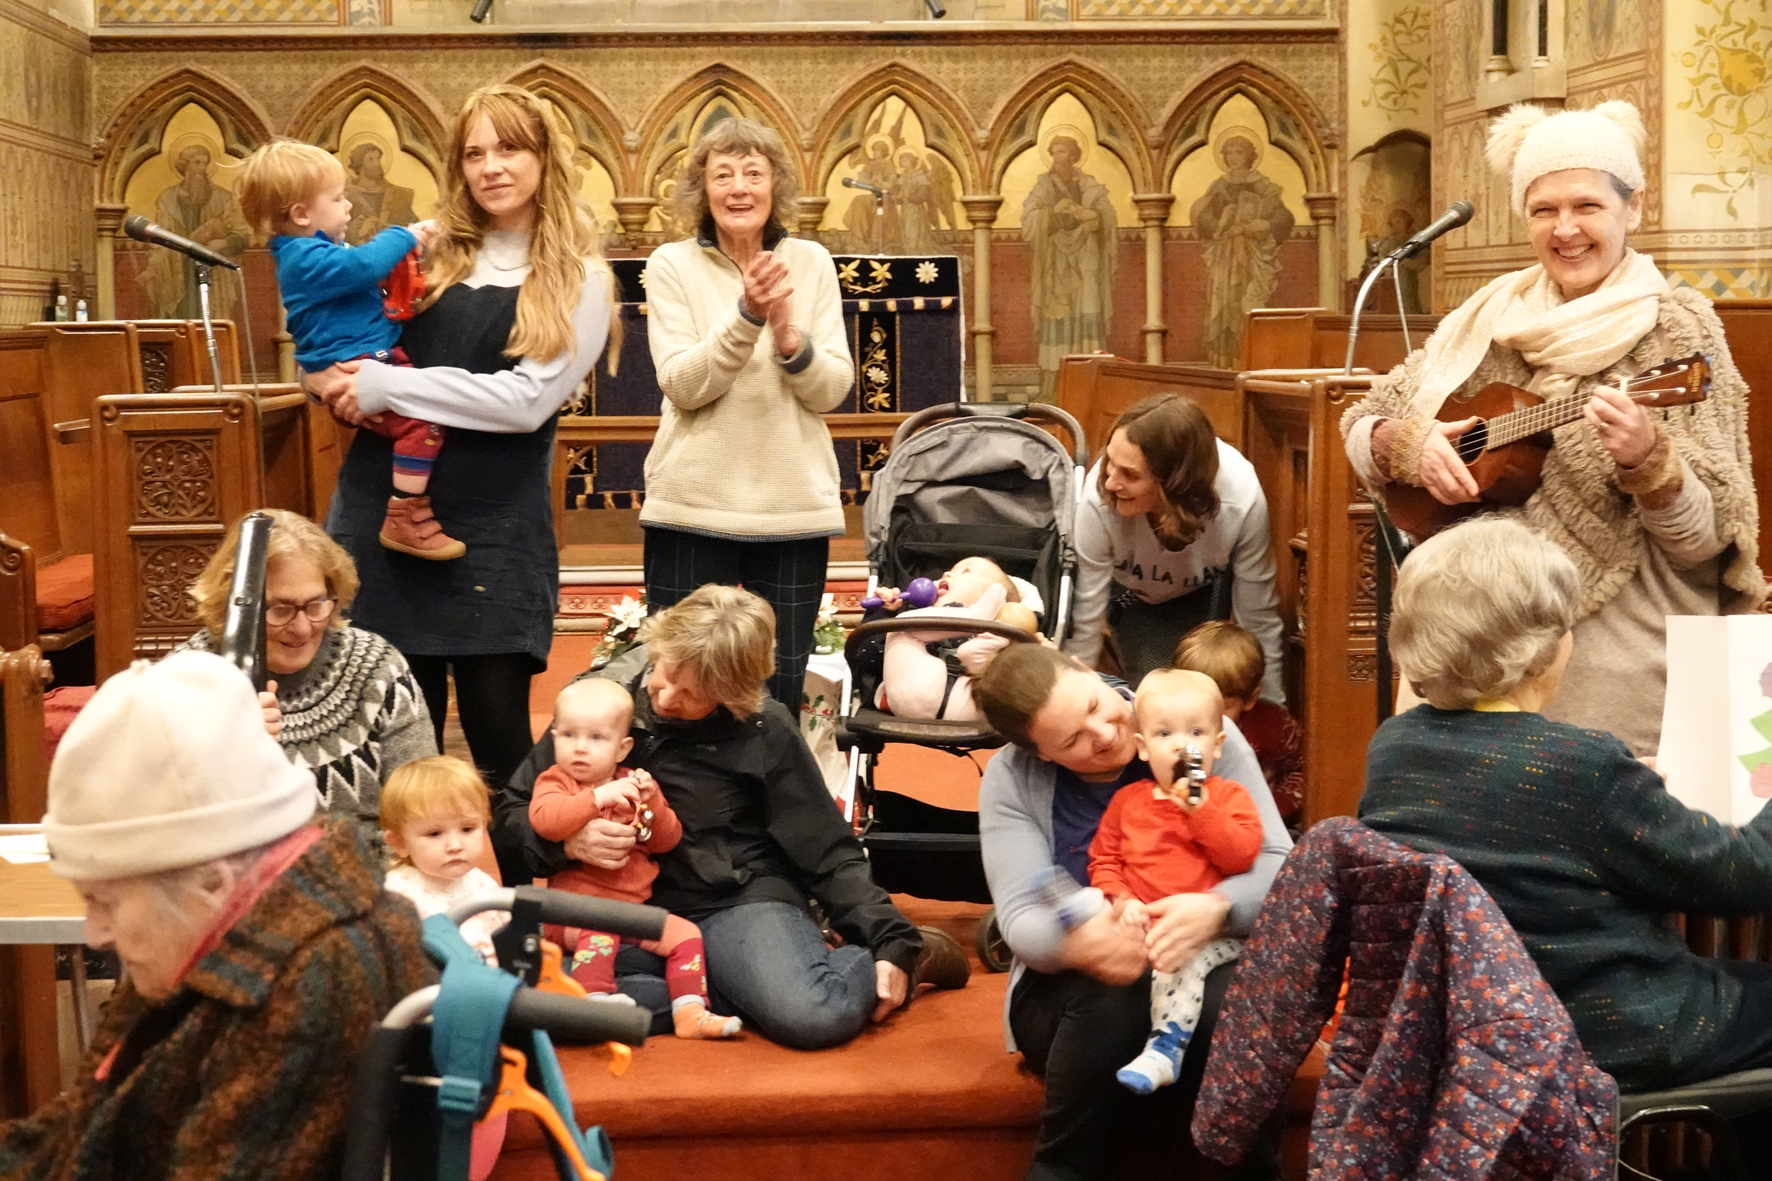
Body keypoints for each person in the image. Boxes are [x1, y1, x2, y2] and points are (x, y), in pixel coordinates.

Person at [1341, 100, 1761, 755]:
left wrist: (1651, 463)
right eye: (1544, 210)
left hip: (1621, 671)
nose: (1565, 229)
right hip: (1479, 652)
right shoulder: (1487, 320)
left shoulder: (1680, 333)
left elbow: (1711, 542)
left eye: (1587, 206)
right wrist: (1404, 445)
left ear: (1634, 207)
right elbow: (1362, 422)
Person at [1359, 516, 1772, 1100]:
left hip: (1465, 1038)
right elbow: (1748, 876)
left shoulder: (1395, 748)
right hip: (1609, 1033)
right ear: (1541, 650)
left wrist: (1626, 800)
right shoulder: (1584, 768)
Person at [304, 84, 618, 833]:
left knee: (502, 746)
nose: (491, 167)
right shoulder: (424, 249)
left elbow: (524, 402)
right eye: (474, 153)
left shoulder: (582, 275)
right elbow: (336, 336)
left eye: (509, 149)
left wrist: (385, 383)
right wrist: (330, 379)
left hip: (491, 531)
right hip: (379, 518)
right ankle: (408, 930)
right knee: (393, 754)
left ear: (545, 157)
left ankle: (519, 923)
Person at [0, 650, 433, 1179]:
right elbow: (87, 1126)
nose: (95, 934)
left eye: (104, 901)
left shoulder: (322, 977)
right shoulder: (210, 931)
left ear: (211, 880)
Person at [494, 585, 969, 1050]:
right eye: (663, 673)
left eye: (691, 693)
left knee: (811, 1015)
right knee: (533, 1006)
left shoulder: (764, 727)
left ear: (731, 695)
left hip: (731, 900)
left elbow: (826, 850)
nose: (665, 698)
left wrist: (892, 940)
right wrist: (565, 845)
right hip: (618, 907)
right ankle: (719, 981)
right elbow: (511, 813)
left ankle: (862, 960)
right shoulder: (603, 703)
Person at [974, 642, 1290, 1180]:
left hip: (1205, 953)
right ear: (1041, 754)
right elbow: (1022, 913)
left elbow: (1279, 866)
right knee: (1115, 1000)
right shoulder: (1011, 778)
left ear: (1087, 667)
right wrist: (1081, 943)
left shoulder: (1189, 725)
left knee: (1234, 1007)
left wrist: (1215, 909)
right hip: (1076, 987)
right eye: (1073, 738)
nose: (1104, 733)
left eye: (1097, 705)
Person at [641, 117, 855, 710]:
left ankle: (765, 804)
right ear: (701, 189)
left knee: (775, 694)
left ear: (775, 185)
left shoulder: (810, 261)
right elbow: (683, 386)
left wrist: (789, 338)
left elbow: (832, 389)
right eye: (723, 174)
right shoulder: (669, 265)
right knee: (675, 688)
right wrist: (747, 316)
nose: (739, 188)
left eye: (754, 173)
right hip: (692, 503)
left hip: (790, 508)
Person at [239, 139, 459, 559]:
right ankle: (404, 512)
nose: (349, 208)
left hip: (370, 358)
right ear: (302, 214)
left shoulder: (315, 251)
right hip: (358, 363)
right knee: (423, 421)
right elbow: (362, 268)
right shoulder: (303, 256)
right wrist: (404, 234)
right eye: (338, 199)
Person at [179, 509, 436, 826]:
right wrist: (224, 749)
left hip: (373, 868)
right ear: (233, 605)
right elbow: (164, 825)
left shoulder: (376, 666)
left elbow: (426, 806)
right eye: (281, 609)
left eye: (316, 605)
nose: (302, 628)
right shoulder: (185, 681)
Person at [527, 678, 741, 1038]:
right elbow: (546, 822)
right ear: (553, 739)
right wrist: (596, 798)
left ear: (622, 748)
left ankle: (690, 1011)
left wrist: (653, 801)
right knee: (601, 926)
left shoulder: (633, 783)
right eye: (568, 735)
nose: (580, 748)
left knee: (685, 934)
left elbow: (665, 841)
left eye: (596, 738)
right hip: (568, 912)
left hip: (631, 911)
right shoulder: (556, 781)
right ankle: (591, 1000)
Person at [1087, 669, 1261, 1095]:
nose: (1183, 745)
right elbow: (1104, 859)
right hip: (1143, 927)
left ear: (1217, 747)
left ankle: (1166, 1047)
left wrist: (1199, 808)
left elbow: (1241, 855)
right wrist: (1120, 899)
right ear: (1143, 749)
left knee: (1178, 962)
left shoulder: (1228, 798)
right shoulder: (1127, 802)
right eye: (1165, 733)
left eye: (1197, 732)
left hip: (1210, 936)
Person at [1065, 393, 1286, 695]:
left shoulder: (1241, 497)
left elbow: (1258, 616)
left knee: (1206, 693)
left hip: (1206, 593)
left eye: (1130, 474)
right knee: (1153, 695)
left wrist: (1272, 706)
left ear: (1175, 483)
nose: (1109, 483)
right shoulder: (1097, 496)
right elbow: (1086, 615)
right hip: (1130, 595)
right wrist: (1072, 694)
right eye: (1109, 464)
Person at [874, 555, 1041, 722]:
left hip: (962, 698)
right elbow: (870, 658)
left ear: (988, 597)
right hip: (959, 707)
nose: (946, 574)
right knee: (902, 625)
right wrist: (883, 611)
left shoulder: (995, 631)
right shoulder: (919, 614)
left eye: (966, 571)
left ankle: (975, 617)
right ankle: (973, 620)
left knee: (901, 627)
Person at [380, 755, 508, 966]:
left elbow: (508, 941)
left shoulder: (483, 884)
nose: (455, 845)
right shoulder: (396, 897)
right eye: (435, 833)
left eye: (467, 829)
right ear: (399, 843)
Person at [1173, 620, 1304, 827]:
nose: (1206, 714)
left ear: (1250, 699)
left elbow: (1304, 770)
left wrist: (1272, 809)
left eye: (1222, 707)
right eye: (1195, 699)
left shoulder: (1273, 724)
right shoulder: (1170, 725)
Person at [1022, 134, 1117, 402]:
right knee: (1057, 319)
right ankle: (1052, 389)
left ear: (1074, 155)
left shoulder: (1089, 185)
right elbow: (1029, 218)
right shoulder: (1044, 186)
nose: (1056, 158)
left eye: (1062, 152)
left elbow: (1107, 216)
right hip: (1056, 265)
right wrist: (1053, 213)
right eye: (1053, 153)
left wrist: (1093, 217)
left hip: (1087, 261)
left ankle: (1091, 388)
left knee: (1087, 314)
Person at [1191, 134, 1294, 370]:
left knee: (1252, 301)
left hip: (1255, 253)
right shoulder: (1219, 187)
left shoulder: (1265, 186)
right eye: (1230, 152)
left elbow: (1284, 216)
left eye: (1240, 151)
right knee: (1226, 303)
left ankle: (1255, 357)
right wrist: (1221, 223)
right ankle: (1224, 359)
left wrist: (1265, 225)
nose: (1235, 157)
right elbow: (1204, 217)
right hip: (1226, 254)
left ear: (1251, 156)